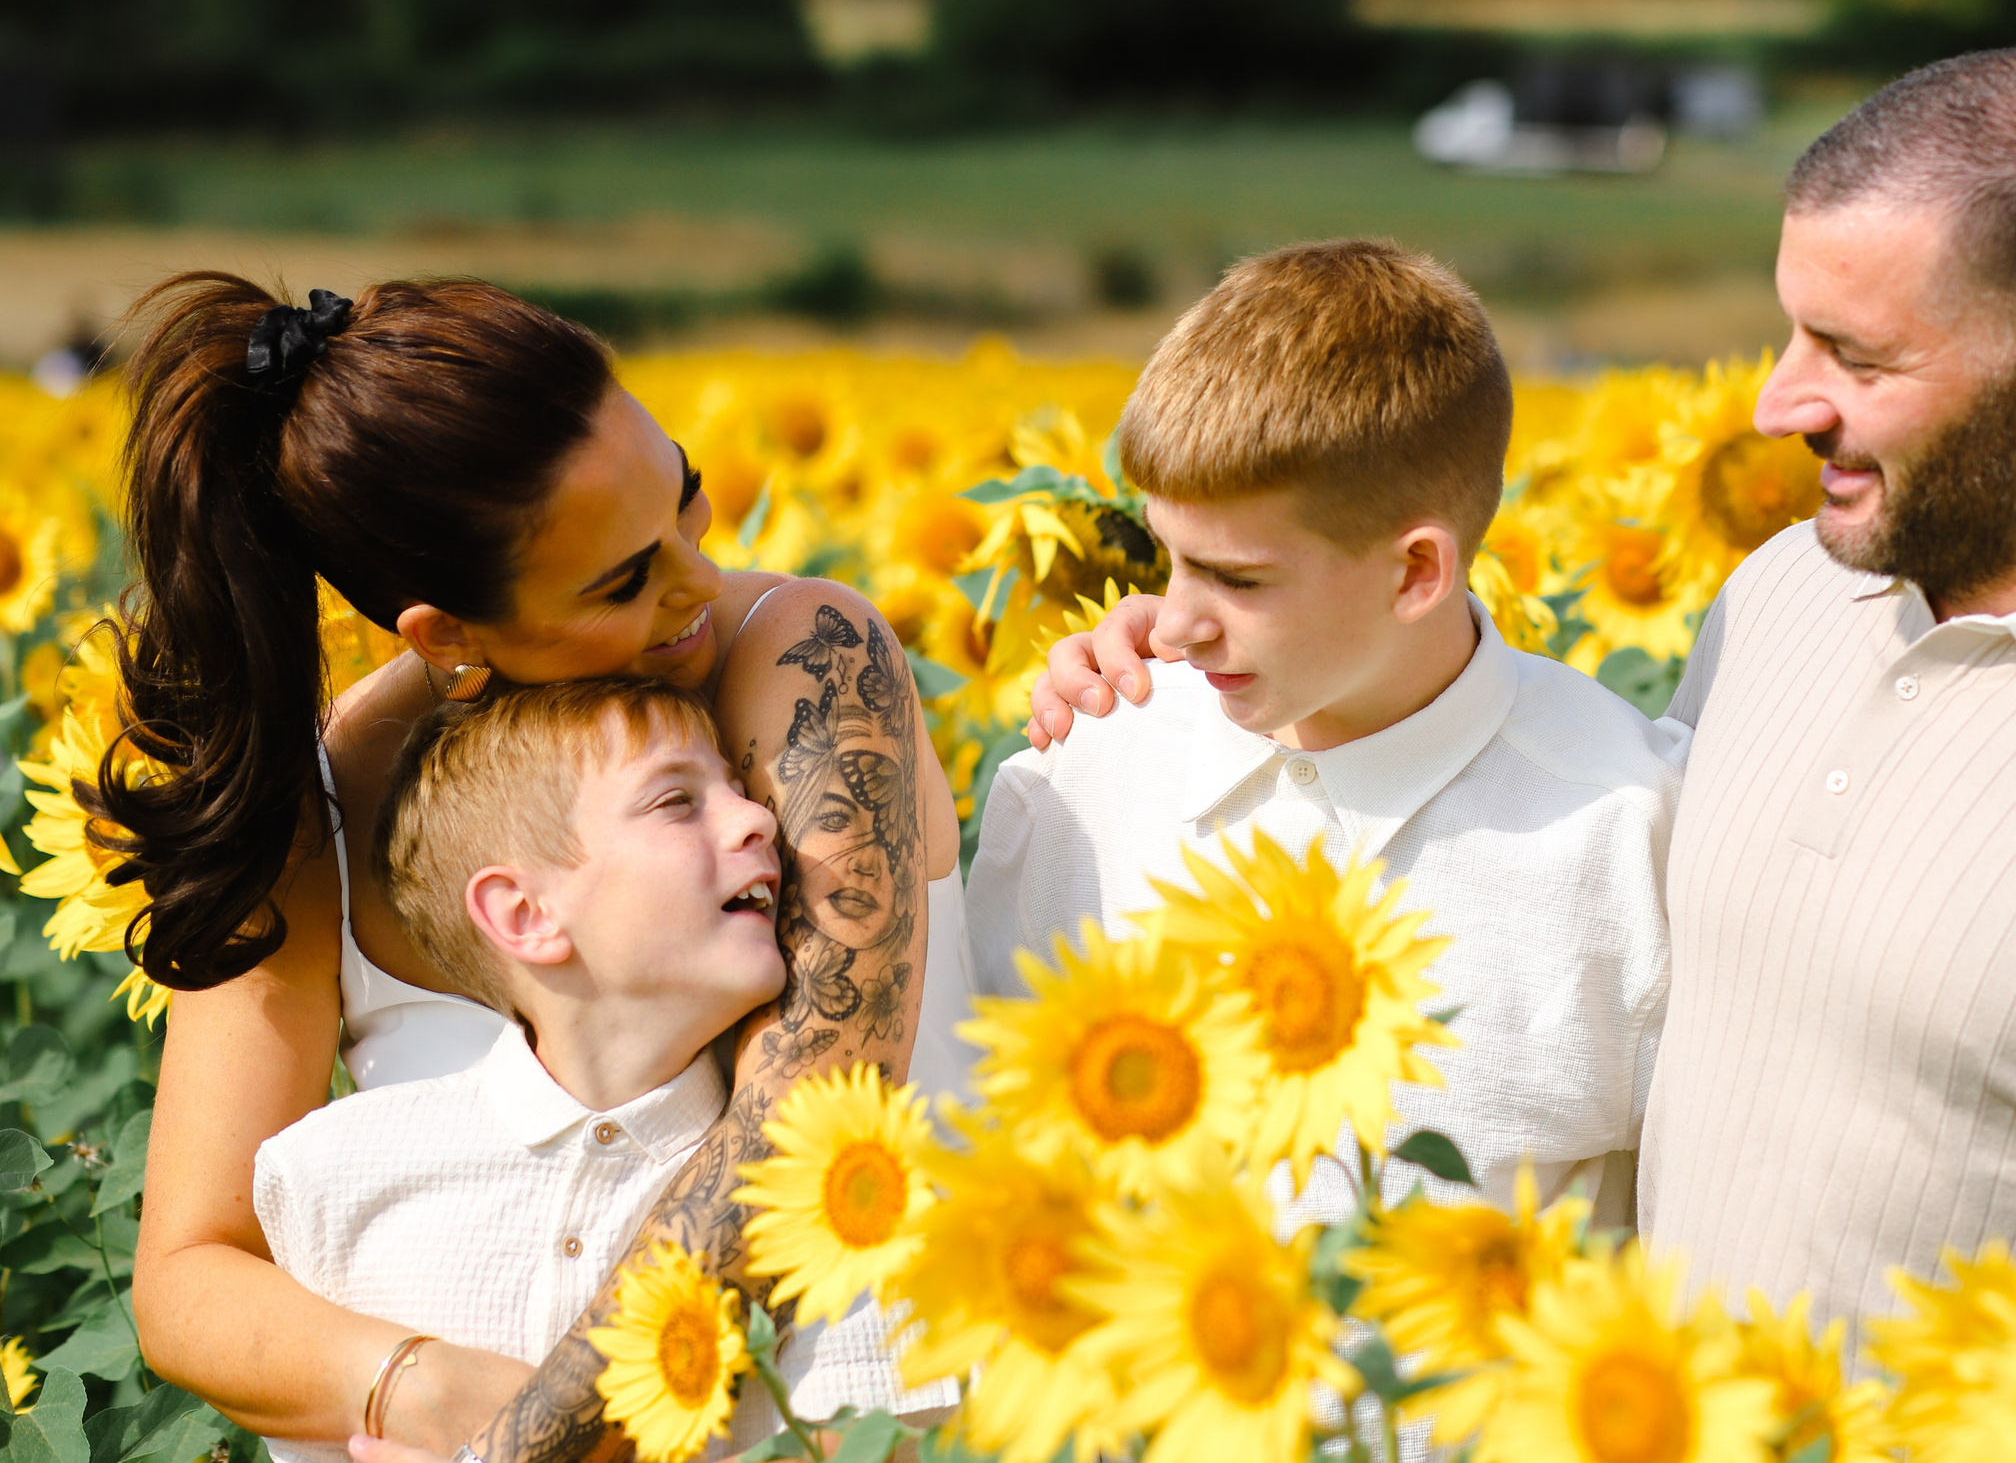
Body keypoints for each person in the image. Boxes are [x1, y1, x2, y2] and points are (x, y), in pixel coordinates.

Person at [1025, 51, 2016, 1342]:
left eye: (1854, 355)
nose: (1775, 402)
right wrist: (1190, 649)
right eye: (1794, 328)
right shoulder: (1792, 597)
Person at [112, 274, 961, 1459]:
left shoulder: (802, 660)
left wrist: (519, 1445)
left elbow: (798, 1138)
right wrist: (413, 1388)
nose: (700, 583)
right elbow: (187, 1277)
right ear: (444, 636)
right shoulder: (322, 812)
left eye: (687, 501)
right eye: (622, 582)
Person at [965, 239, 1683, 1228]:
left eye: (1239, 579)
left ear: (1414, 574)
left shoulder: (1629, 837)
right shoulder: (1083, 781)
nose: (1171, 623)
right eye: (1169, 557)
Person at [257, 679, 947, 1463]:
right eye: (676, 802)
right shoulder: (335, 1179)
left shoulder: (843, 1195)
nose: (759, 816)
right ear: (526, 914)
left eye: (738, 786)